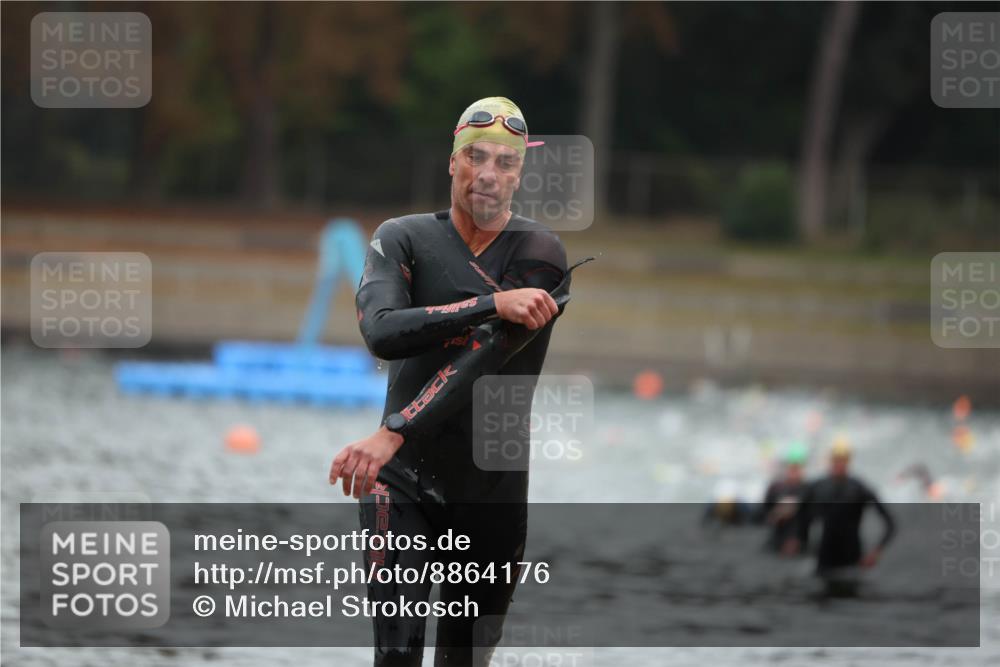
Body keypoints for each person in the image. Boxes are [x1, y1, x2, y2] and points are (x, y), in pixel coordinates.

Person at [328, 96, 573, 666]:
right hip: (401, 483)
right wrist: (491, 301)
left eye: (504, 163)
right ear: (452, 162)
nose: (488, 174)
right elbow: (383, 333)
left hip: (491, 493)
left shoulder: (541, 255)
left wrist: (396, 426)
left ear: (519, 174)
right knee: (395, 655)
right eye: (475, 157)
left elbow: (486, 357)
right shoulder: (402, 239)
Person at [783, 438, 896, 585]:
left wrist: (876, 552)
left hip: (852, 560)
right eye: (836, 459)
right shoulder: (817, 487)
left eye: (842, 459)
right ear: (830, 460)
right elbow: (801, 516)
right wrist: (796, 538)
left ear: (848, 461)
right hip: (824, 559)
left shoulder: (859, 488)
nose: (839, 464)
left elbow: (890, 523)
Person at [760, 442, 808, 551]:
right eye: (792, 467)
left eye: (797, 467)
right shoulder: (775, 487)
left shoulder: (808, 489)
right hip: (777, 539)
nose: (794, 471)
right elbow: (765, 513)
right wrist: (777, 513)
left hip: (799, 541)